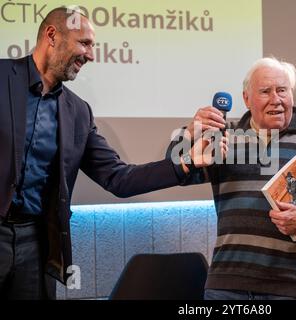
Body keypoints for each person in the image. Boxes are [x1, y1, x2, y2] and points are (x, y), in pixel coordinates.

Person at [0, 7, 226, 299]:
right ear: (52, 36)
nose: (91, 55)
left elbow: (118, 178)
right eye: (85, 43)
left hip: (35, 246)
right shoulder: (3, 75)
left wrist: (185, 162)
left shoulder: (78, 112)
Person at [167, 57, 296, 300]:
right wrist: (190, 131)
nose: (276, 99)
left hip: (292, 285)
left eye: (282, 90)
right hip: (227, 285)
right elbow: (176, 169)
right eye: (265, 91)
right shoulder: (225, 137)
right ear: (246, 99)